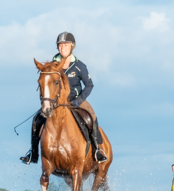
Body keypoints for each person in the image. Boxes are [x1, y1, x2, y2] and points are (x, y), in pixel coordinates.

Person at [20, 32, 109, 164]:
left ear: (72, 46)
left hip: (76, 100)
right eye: (60, 45)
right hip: (56, 102)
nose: (62, 48)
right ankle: (33, 153)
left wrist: (79, 100)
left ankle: (96, 150)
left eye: (65, 45)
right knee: (36, 119)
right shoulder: (52, 66)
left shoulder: (80, 66)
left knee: (91, 116)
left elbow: (89, 85)